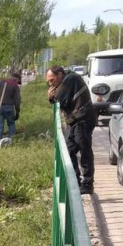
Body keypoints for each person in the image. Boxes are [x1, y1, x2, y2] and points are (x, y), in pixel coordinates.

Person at [45, 64, 96, 194]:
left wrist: (51, 97)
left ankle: (87, 184)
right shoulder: (66, 80)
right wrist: (52, 97)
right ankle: (75, 181)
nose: (50, 84)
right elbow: (60, 100)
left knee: (85, 151)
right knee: (68, 151)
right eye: (48, 81)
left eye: (52, 80)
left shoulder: (71, 79)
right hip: (74, 121)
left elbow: (61, 99)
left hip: (82, 120)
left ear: (60, 75)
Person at [0, 72, 22, 141]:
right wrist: (17, 112)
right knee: (11, 124)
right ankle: (12, 140)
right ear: (17, 79)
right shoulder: (15, 86)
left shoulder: (2, 82)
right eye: (18, 81)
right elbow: (17, 101)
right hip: (9, 108)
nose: (18, 83)